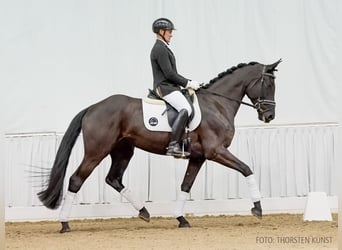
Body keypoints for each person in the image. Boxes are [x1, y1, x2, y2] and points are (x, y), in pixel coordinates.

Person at [150, 18, 201, 157]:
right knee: (186, 108)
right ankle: (173, 145)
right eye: (170, 31)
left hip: (171, 86)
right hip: (165, 88)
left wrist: (188, 82)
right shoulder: (159, 49)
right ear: (161, 31)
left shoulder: (163, 47)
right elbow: (169, 74)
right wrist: (188, 83)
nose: (171, 34)